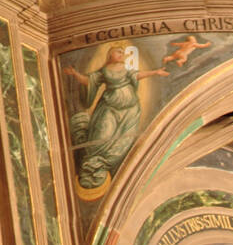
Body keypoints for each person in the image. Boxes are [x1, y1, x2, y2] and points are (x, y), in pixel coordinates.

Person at [64, 45, 168, 191]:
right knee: (102, 135)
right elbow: (89, 81)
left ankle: (102, 163)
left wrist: (155, 72)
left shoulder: (125, 69)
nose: (121, 54)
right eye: (118, 52)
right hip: (109, 108)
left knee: (123, 139)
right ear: (110, 54)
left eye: (122, 52)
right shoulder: (104, 70)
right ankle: (92, 162)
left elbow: (138, 75)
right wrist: (75, 74)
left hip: (130, 110)